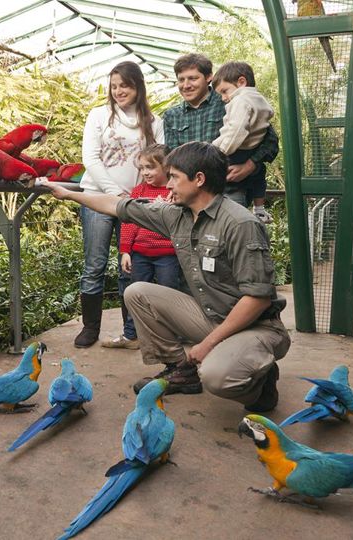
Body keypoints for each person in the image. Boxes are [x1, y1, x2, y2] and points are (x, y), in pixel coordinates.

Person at [43, 142, 290, 412]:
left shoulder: (240, 224)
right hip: (212, 317)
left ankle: (261, 385)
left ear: (199, 179)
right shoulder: (177, 216)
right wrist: (68, 194)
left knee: (217, 376)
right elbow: (116, 205)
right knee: (137, 292)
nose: (168, 184)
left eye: (174, 177)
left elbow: (257, 299)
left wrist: (207, 345)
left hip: (256, 327)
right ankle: (180, 370)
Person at [74, 61, 164, 349]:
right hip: (98, 198)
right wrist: (115, 193)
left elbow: (160, 161)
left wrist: (137, 197)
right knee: (95, 264)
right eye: (114, 86)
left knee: (131, 265)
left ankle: (131, 330)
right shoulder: (99, 115)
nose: (118, 91)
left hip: (135, 204)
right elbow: (90, 158)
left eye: (124, 85)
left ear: (137, 86)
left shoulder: (154, 122)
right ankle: (90, 327)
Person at [162, 53, 279, 209]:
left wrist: (250, 165)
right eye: (181, 79)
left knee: (231, 225)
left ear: (209, 77)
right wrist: (174, 186)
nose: (186, 85)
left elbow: (270, 141)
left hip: (229, 190)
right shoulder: (171, 116)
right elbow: (173, 159)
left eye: (193, 78)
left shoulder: (232, 100)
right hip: (189, 194)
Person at [105, 144, 181, 349]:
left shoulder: (175, 192)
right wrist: (125, 251)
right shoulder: (138, 191)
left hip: (168, 254)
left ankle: (169, 337)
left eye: (150, 167)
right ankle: (132, 335)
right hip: (140, 254)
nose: (145, 172)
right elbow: (129, 223)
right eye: (142, 168)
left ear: (166, 167)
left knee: (168, 295)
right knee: (134, 294)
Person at [211, 61, 275, 224]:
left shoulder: (241, 101)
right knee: (259, 175)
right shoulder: (259, 99)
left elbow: (235, 130)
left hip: (237, 150)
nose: (224, 98)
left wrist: (219, 151)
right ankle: (259, 210)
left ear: (241, 82)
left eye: (224, 91)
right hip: (251, 149)